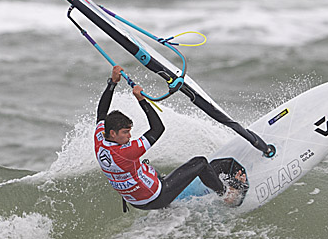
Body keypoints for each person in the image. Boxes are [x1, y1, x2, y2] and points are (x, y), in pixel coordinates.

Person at [94, 65, 248, 211]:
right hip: (156, 197)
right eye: (125, 133)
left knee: (149, 169)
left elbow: (101, 113)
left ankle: (167, 201)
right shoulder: (126, 152)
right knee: (200, 163)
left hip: (136, 200)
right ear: (113, 133)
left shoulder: (100, 138)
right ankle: (226, 194)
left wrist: (112, 82)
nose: (129, 136)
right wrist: (142, 100)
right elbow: (158, 129)